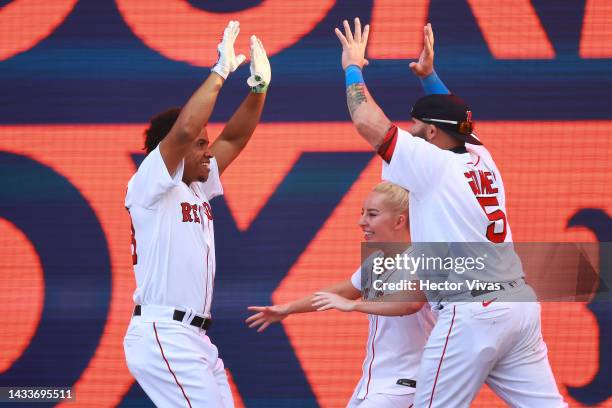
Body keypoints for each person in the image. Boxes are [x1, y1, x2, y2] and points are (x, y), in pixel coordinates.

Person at [335, 18, 567, 407]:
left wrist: (352, 67)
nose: (408, 132)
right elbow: (459, 121)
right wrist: (429, 77)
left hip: (472, 311)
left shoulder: (430, 164)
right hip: (519, 306)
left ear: (430, 134)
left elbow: (366, 119)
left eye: (415, 126)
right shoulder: (480, 154)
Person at [123, 21, 271, 407]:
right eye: (202, 144)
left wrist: (258, 89)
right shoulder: (151, 183)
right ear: (171, 149)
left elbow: (235, 138)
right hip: (164, 333)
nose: (209, 150)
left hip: (195, 338)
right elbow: (186, 128)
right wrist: (220, 72)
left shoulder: (196, 184)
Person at [246, 181, 435, 408]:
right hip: (372, 384)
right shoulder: (377, 261)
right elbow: (339, 291)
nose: (361, 222)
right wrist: (287, 309)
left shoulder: (424, 257)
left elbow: (410, 303)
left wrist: (352, 305)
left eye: (372, 214)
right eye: (362, 213)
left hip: (406, 385)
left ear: (399, 220)